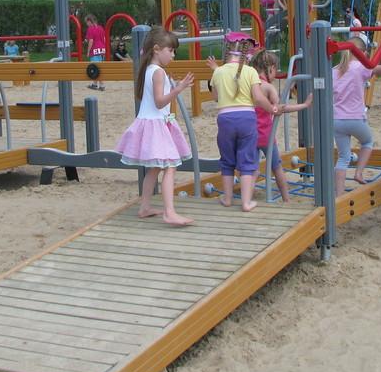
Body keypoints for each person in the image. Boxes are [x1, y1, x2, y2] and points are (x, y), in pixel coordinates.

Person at [115, 27, 195, 226]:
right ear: (158, 49)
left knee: (154, 169)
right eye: (171, 50)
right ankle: (169, 212)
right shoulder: (158, 72)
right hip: (156, 124)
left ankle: (145, 207)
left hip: (153, 122)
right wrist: (179, 88)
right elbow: (160, 102)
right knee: (170, 166)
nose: (173, 55)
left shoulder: (150, 69)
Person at [207, 32, 275, 212]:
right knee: (247, 159)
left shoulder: (219, 72)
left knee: (227, 159)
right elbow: (259, 99)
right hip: (246, 117)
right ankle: (246, 202)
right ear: (247, 53)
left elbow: (215, 97)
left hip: (225, 118)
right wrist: (272, 109)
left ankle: (228, 198)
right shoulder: (251, 71)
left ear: (227, 51)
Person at [249, 49, 311, 202]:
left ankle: (247, 198)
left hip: (249, 134)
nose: (275, 74)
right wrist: (304, 105)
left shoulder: (249, 84)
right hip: (266, 135)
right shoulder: (268, 87)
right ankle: (286, 199)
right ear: (269, 68)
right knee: (277, 168)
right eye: (275, 70)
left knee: (252, 170)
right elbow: (281, 108)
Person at [333, 35, 381, 196]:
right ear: (361, 52)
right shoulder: (360, 67)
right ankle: (359, 173)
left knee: (343, 157)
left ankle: (339, 194)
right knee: (368, 142)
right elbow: (379, 69)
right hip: (355, 118)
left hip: (336, 120)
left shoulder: (333, 71)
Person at [84, 15, 107, 91]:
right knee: (99, 67)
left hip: (94, 50)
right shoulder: (100, 28)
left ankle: (102, 85)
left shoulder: (90, 29)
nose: (86, 24)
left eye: (86, 22)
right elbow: (104, 39)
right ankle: (95, 84)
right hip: (102, 50)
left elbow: (91, 41)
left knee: (95, 68)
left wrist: (88, 51)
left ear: (89, 21)